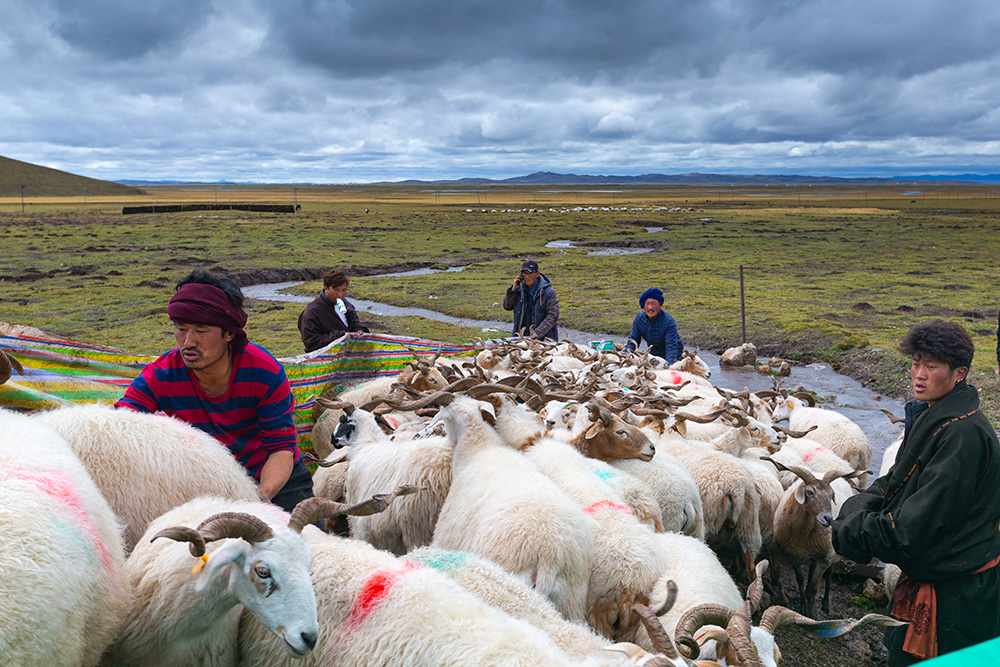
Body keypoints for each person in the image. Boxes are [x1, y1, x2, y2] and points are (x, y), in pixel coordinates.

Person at [832, 319, 1000, 665]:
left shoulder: (962, 436)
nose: (919, 375)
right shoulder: (936, 417)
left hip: (957, 598)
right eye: (915, 363)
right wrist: (854, 508)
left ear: (959, 373)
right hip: (943, 579)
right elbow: (895, 483)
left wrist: (852, 529)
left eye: (932, 366)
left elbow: (913, 527)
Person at [116, 269, 314, 514]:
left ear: (229, 333)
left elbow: (281, 447)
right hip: (204, 482)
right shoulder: (160, 375)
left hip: (273, 479)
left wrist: (261, 498)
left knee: (304, 544)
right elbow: (119, 424)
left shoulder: (264, 372)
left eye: (201, 331)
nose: (188, 342)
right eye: (181, 328)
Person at [298, 268, 369, 353]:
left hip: (347, 356)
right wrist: (340, 336)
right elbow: (312, 343)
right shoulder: (312, 312)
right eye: (336, 290)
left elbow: (353, 324)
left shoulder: (347, 305)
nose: (340, 294)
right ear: (326, 288)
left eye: (344, 290)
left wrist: (359, 330)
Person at [502, 259, 559, 341]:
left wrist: (537, 333)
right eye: (525, 273)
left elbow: (552, 316)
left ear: (537, 274)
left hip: (544, 339)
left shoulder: (548, 292)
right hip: (521, 337)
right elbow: (507, 306)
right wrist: (513, 290)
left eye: (530, 273)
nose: (527, 277)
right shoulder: (518, 290)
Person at [625, 287, 683, 363]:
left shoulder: (668, 321)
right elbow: (633, 340)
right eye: (647, 303)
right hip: (654, 357)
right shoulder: (639, 319)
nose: (650, 307)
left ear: (660, 305)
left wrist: (670, 366)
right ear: (643, 305)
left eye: (653, 303)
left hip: (673, 357)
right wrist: (627, 358)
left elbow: (671, 347)